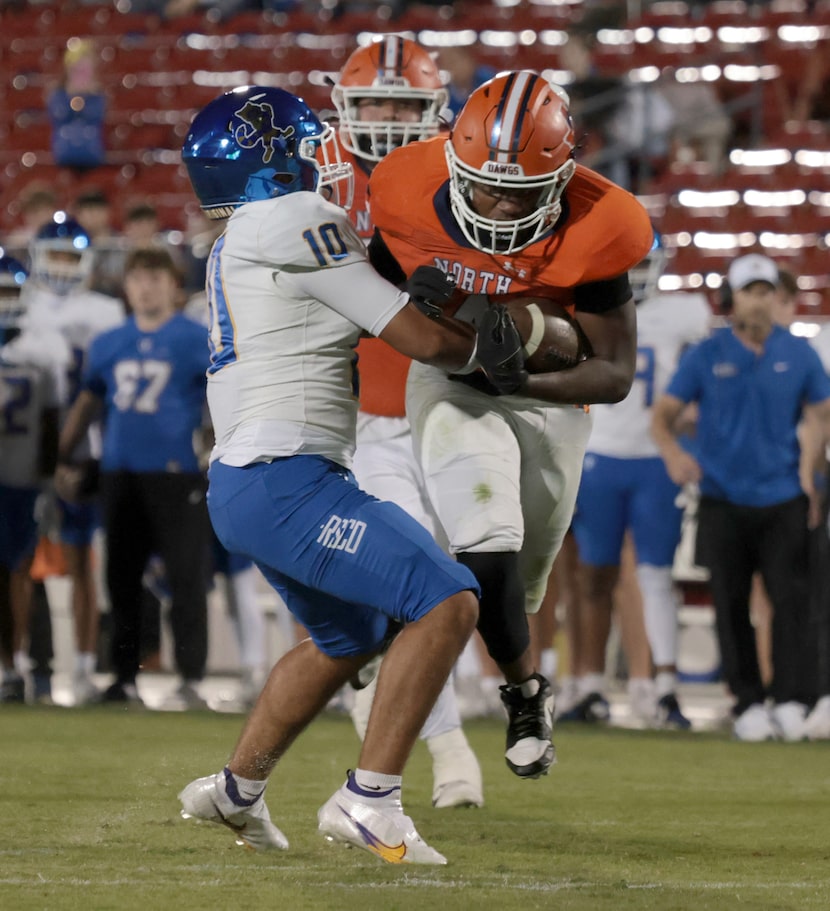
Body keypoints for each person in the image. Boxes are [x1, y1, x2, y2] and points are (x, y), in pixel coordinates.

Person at [175, 86, 524, 865]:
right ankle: (371, 800)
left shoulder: (233, 240)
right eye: (305, 145)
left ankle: (236, 790)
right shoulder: (294, 218)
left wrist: (418, 295)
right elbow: (414, 338)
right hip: (287, 473)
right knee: (446, 597)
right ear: (274, 159)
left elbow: (355, 306)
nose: (323, 157)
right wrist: (482, 350)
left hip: (248, 480)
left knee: (349, 634)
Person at [367, 70, 653, 778]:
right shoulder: (406, 187)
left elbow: (612, 375)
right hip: (452, 383)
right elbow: (367, 291)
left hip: (550, 397)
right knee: (485, 542)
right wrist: (415, 301)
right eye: (485, 184)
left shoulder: (601, 218)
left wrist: (521, 357)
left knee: (523, 577)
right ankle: (524, 693)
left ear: (560, 177)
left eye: (519, 192)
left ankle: (528, 676)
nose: (496, 204)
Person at [330, 33, 483, 809]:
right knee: (421, 585)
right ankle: (451, 746)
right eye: (376, 102)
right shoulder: (310, 185)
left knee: (461, 582)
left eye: (401, 102)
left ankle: (380, 698)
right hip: (368, 419)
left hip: (455, 405)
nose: (387, 118)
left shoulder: (464, 182)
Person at [651, 252, 830, 742]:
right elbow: (663, 414)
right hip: (722, 497)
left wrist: (810, 469)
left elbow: (821, 412)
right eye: (751, 290)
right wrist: (673, 456)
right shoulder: (707, 354)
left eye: (767, 290)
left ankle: (791, 699)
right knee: (730, 604)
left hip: (783, 496)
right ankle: (747, 701)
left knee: (791, 603)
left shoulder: (799, 353)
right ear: (733, 298)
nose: (761, 299)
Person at [54, 246, 211, 710]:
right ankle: (123, 678)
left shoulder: (194, 337)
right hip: (120, 472)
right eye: (138, 278)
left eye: (155, 278)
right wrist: (62, 456)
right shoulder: (108, 342)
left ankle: (190, 679)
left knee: (186, 580)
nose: (146, 287)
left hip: (176, 472)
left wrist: (217, 443)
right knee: (122, 582)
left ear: (173, 286)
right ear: (126, 287)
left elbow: (221, 398)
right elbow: (89, 401)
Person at [568, 233, 713, 729]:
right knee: (593, 576)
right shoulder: (588, 304)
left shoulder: (683, 313)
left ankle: (659, 686)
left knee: (654, 575)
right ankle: (588, 685)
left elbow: (705, 379)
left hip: (654, 460)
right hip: (600, 454)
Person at [23, 215, 125, 705]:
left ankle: (83, 667)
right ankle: (25, 665)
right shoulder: (20, 302)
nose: (63, 265)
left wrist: (74, 455)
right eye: (56, 254)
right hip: (23, 452)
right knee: (20, 564)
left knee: (86, 563)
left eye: (71, 255)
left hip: (87, 453)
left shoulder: (105, 311)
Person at [0, 254, 68, 703]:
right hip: (21, 474)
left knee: (20, 574)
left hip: (21, 478)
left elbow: (50, 423)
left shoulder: (43, 350)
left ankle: (16, 665)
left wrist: (46, 481)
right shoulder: (41, 351)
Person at [46, 38, 106, 170]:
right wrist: (73, 96)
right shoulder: (58, 94)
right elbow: (59, 114)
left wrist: (87, 96)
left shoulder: (97, 95)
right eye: (76, 70)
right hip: (64, 152)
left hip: (91, 152)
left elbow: (95, 115)